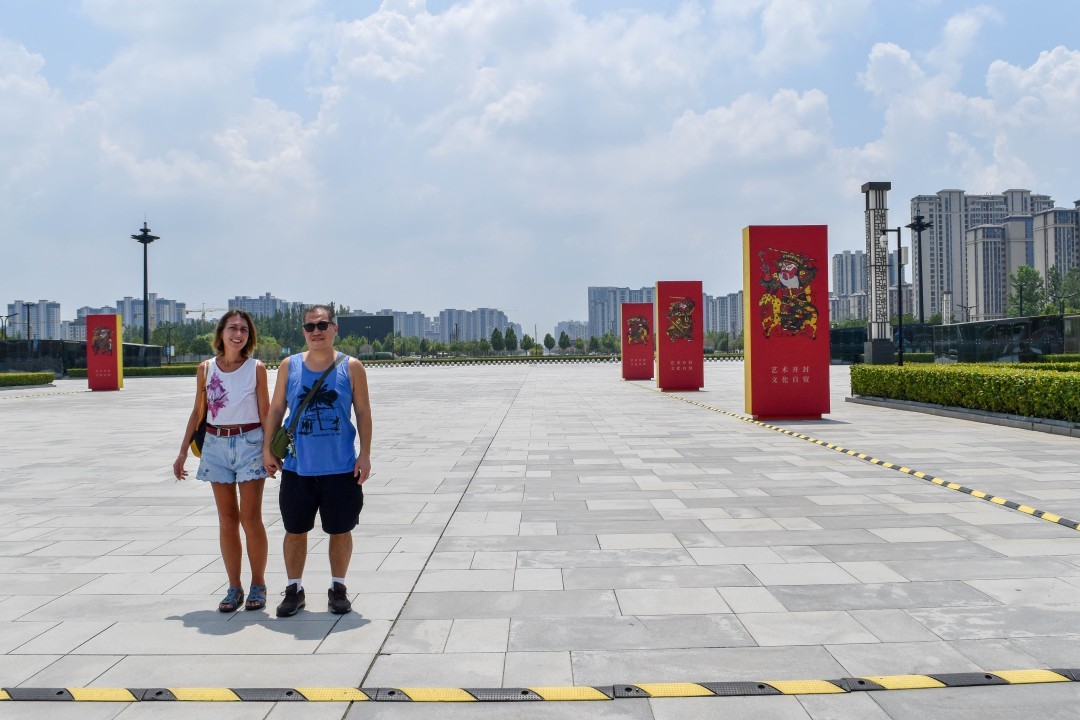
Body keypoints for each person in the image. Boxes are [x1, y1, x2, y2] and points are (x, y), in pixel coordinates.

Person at [263, 304, 372, 616]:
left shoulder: (351, 367)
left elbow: (363, 411)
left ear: (335, 329)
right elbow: (276, 408)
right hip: (298, 468)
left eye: (323, 325)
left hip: (340, 467)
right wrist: (267, 449)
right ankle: (294, 589)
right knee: (294, 531)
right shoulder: (290, 365)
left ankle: (338, 587)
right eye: (310, 327)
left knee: (341, 530)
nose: (316, 332)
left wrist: (364, 453)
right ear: (303, 332)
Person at [173, 310, 270, 612]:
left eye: (243, 329)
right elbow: (198, 411)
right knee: (227, 520)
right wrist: (181, 451)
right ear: (221, 333)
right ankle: (234, 587)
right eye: (232, 328)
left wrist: (270, 450)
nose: (237, 334)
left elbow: (266, 412)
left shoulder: (256, 368)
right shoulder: (206, 368)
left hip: (250, 443)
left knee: (250, 518)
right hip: (215, 444)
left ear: (249, 336)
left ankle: (258, 583)